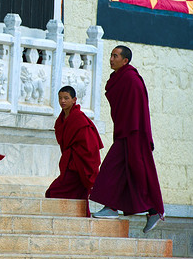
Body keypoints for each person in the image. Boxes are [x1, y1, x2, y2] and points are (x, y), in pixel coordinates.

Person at [90, 45, 165, 233]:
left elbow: (136, 108)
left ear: (125, 61)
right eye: (111, 55)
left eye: (115, 56)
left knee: (130, 171)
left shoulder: (131, 79)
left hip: (133, 133)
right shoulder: (120, 78)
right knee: (125, 173)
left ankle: (147, 209)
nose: (111, 59)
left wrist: (132, 131)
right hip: (125, 132)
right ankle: (141, 210)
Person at [45, 86, 103, 217]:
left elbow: (91, 146)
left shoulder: (79, 119)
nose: (62, 101)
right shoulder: (61, 119)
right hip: (70, 164)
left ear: (74, 100)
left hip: (79, 167)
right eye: (60, 98)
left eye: (66, 98)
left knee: (53, 192)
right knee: (78, 198)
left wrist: (84, 164)